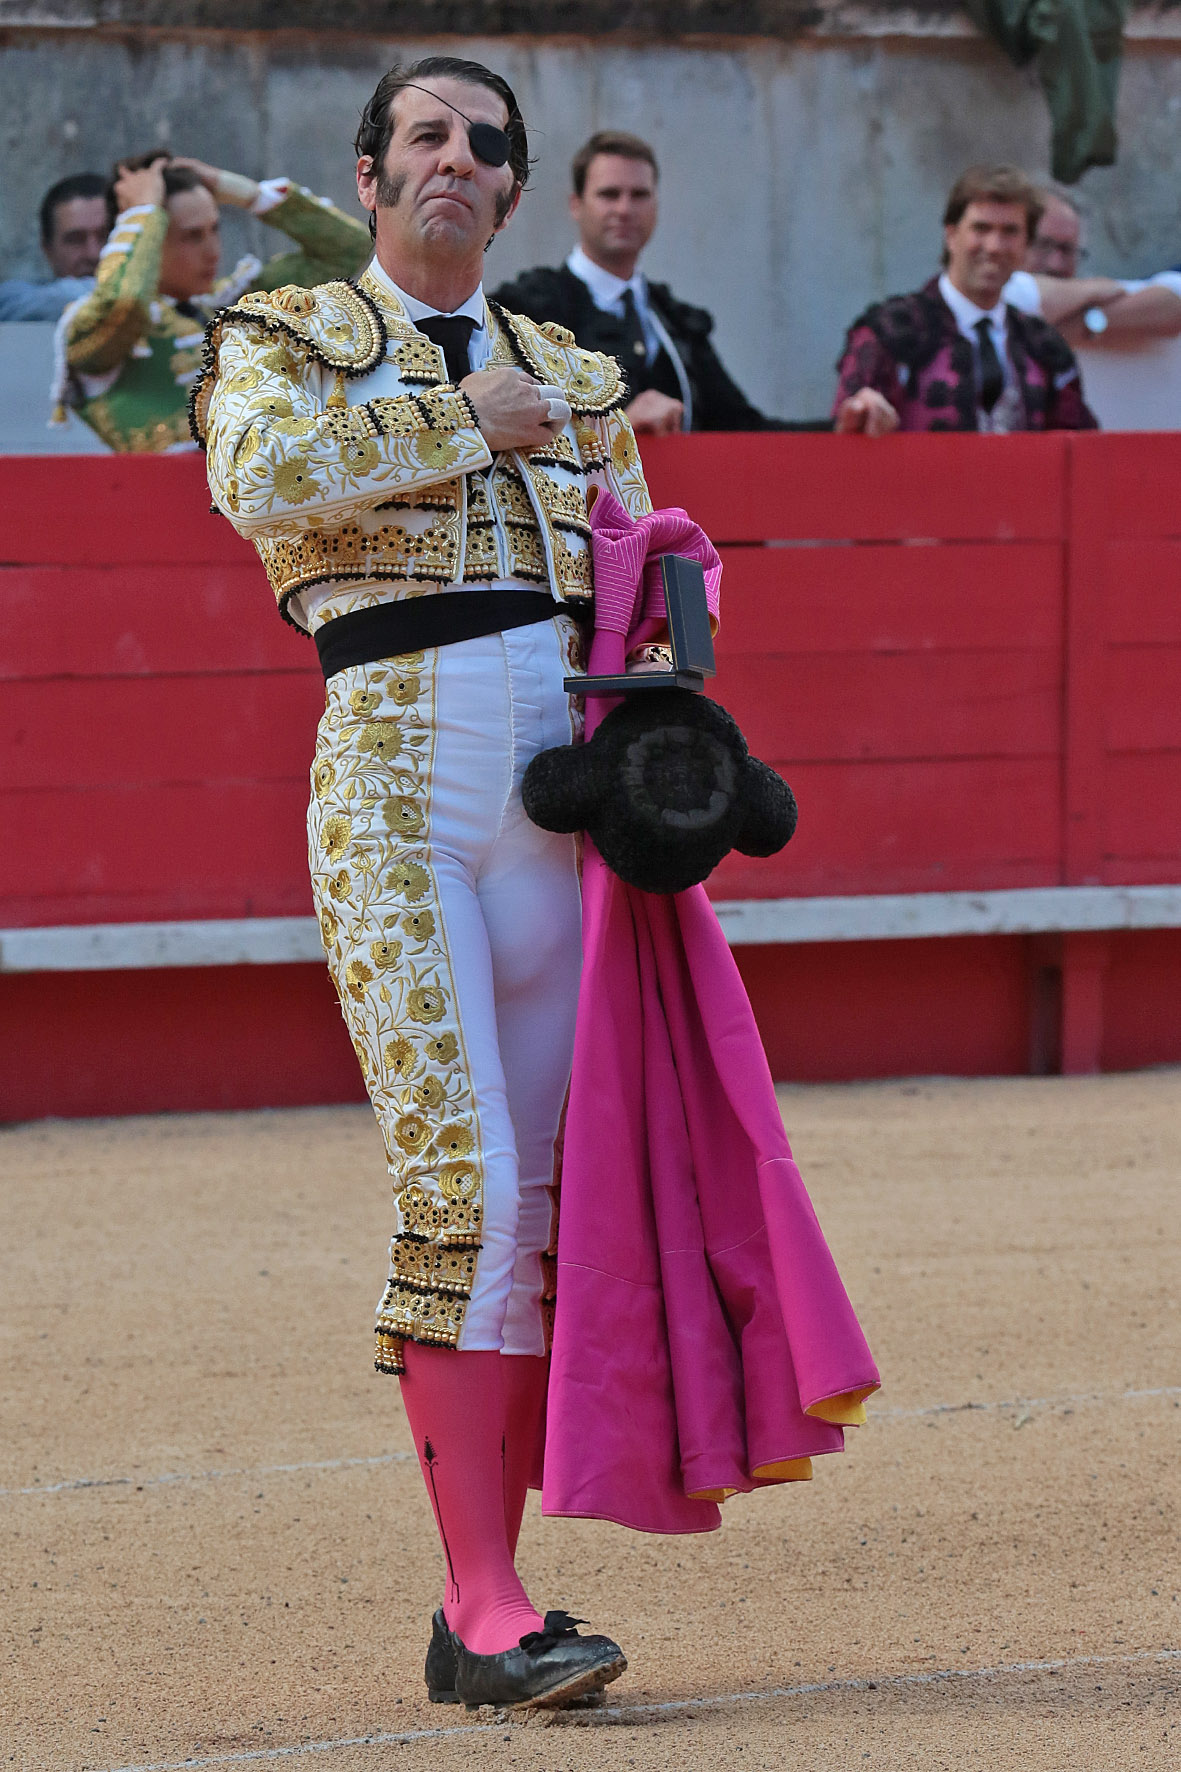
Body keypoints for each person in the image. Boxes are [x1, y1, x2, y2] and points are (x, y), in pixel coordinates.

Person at [192, 55, 654, 1711]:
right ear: (370, 175)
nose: (457, 161)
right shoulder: (277, 340)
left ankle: (499, 1597)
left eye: (486, 145)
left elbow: (634, 575)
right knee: (464, 1180)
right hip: (393, 786)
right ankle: (480, 1591)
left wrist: (666, 727)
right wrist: (468, 419)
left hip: (551, 803)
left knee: (536, 1203)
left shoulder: (583, 372)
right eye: (427, 138)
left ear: (513, 193)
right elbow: (258, 483)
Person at [53, 151, 371, 452]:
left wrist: (239, 190)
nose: (213, 250)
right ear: (150, 241)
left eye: (214, 229)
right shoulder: (98, 324)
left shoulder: (232, 306)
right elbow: (126, 302)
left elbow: (348, 249)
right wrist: (142, 210)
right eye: (192, 236)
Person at [492, 130, 791, 433]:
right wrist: (616, 429)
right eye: (609, 194)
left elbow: (743, 427)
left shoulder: (674, 320)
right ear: (576, 205)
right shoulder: (524, 311)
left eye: (639, 195)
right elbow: (503, 426)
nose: (624, 210)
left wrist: (836, 429)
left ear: (655, 206)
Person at [833, 164, 1097, 435]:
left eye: (1010, 231)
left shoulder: (1043, 345)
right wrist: (863, 412)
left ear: (1026, 244)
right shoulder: (890, 331)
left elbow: (1080, 450)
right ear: (951, 235)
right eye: (981, 228)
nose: (994, 246)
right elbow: (847, 438)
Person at [1003, 185, 1181, 348]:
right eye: (1043, 245)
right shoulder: (986, 295)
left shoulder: (1094, 294)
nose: (1055, 263)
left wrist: (1082, 324)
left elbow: (1171, 303)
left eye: (1067, 249)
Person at [0, 173, 108, 321]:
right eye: (75, 240)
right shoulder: (19, 299)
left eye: (107, 236)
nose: (94, 254)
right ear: (48, 248)